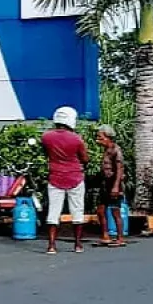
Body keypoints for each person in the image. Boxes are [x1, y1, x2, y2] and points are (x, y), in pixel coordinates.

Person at [40, 106, 88, 255]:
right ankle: (78, 244)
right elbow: (85, 159)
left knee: (53, 212)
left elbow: (46, 153)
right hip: (75, 176)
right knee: (77, 211)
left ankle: (51, 245)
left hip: (55, 176)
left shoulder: (46, 137)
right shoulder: (76, 139)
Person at [95, 125, 127, 248]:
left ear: (107, 137)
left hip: (114, 184)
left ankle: (120, 238)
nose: (98, 139)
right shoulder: (106, 150)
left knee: (115, 211)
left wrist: (116, 186)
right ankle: (105, 236)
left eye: (100, 137)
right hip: (105, 184)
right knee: (100, 210)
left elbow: (119, 169)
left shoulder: (116, 150)